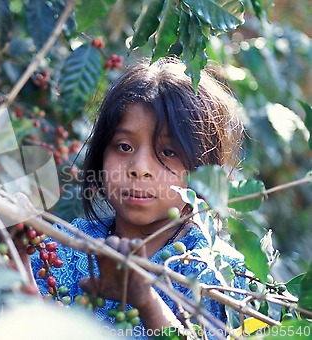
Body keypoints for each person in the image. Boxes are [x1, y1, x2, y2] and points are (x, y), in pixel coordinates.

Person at [29, 56, 247, 338]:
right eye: (124, 146)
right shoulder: (62, 246)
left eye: (168, 152)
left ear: (204, 170)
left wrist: (146, 303)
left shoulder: (220, 278)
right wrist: (18, 253)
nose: (140, 169)